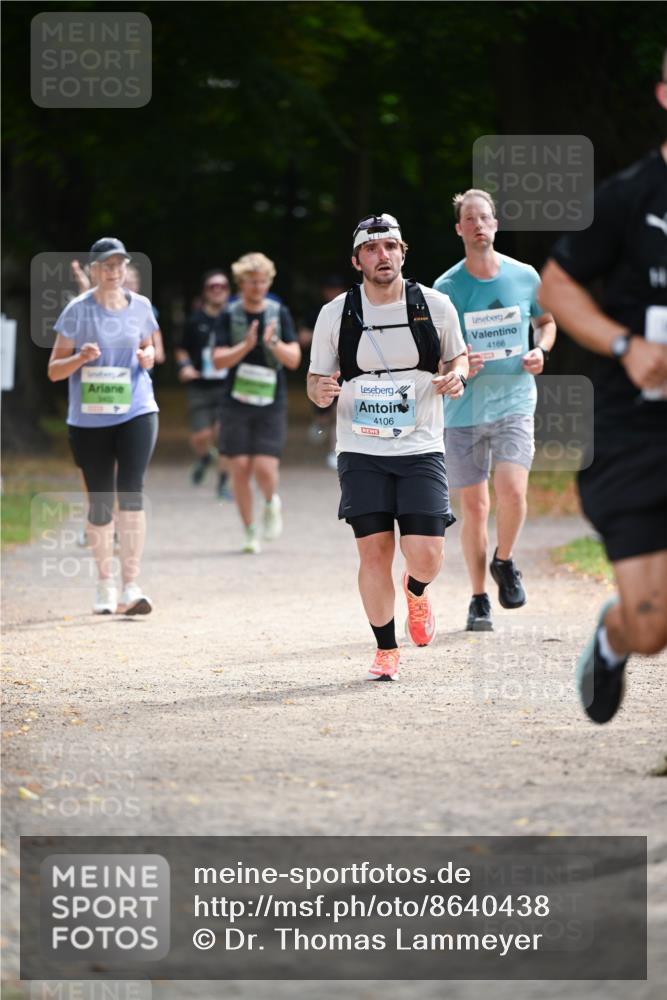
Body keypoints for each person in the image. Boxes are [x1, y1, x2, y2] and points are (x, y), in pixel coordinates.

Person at [540, 55, 667, 725]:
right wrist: (624, 343)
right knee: (651, 628)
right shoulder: (630, 195)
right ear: (663, 94)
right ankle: (612, 640)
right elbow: (555, 284)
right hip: (637, 435)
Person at [308, 213, 468, 681]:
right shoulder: (335, 313)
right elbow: (318, 376)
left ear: (403, 252)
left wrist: (456, 375)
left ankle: (416, 591)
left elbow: (457, 356)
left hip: (421, 446)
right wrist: (318, 391)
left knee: (426, 554)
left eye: (391, 247)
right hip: (361, 449)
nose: (384, 255)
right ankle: (386, 648)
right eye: (373, 249)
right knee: (373, 552)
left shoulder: (435, 306)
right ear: (357, 260)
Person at [433, 190, 556, 632]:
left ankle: (504, 561)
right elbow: (437, 353)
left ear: (496, 225)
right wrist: (460, 360)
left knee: (513, 491)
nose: (479, 225)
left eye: (486, 217)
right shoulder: (446, 289)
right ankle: (478, 598)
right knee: (476, 508)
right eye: (471, 219)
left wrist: (542, 350)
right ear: (460, 230)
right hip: (464, 409)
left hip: (515, 400)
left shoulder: (525, 277)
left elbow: (546, 322)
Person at [48, 237, 159, 615]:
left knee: (131, 491)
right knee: (99, 501)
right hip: (89, 418)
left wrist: (148, 356)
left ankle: (131, 584)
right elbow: (53, 370)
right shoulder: (77, 312)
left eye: (119, 265)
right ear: (94, 270)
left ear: (126, 268)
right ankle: (104, 583)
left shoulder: (141, 307)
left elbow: (150, 349)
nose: (114, 272)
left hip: (137, 410)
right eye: (107, 266)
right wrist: (80, 357)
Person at [213, 252, 301, 553]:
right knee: (239, 466)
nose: (258, 287)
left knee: (264, 466)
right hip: (236, 399)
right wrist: (247, 345)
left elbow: (294, 360)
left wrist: (272, 343)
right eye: (252, 282)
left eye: (263, 282)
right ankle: (250, 531)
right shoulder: (229, 314)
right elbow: (218, 359)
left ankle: (270, 501)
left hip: (270, 399)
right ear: (241, 284)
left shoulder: (279, 313)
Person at [175, 270, 232, 499]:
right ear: (205, 291)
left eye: (222, 286)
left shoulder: (234, 319)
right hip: (200, 385)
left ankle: (223, 484)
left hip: (227, 385)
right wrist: (185, 366)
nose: (217, 290)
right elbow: (181, 349)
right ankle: (204, 457)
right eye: (212, 286)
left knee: (224, 434)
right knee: (201, 436)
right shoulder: (194, 320)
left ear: (228, 291)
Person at [298, 275, 347, 469]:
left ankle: (334, 451)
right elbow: (303, 338)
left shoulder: (352, 309)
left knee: (338, 411)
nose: (333, 293)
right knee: (324, 413)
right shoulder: (317, 312)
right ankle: (319, 423)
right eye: (329, 288)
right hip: (320, 367)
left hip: (344, 369)